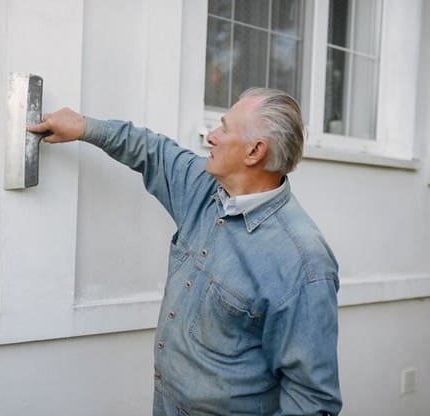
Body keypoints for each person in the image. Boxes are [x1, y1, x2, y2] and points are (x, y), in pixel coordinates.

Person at [29, 88, 342, 416]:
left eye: (224, 128)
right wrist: (82, 126)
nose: (212, 136)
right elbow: (152, 151)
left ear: (254, 151)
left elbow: (312, 401)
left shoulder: (302, 264)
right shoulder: (206, 190)